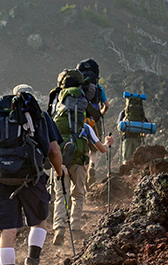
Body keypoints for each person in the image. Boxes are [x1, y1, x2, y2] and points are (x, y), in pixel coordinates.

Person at [0, 85, 66, 265]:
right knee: (39, 223)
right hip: (31, 179)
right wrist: (58, 170)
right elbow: (54, 151)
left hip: (2, 182)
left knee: (7, 232)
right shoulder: (40, 116)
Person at [51, 70, 115, 246]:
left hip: (60, 162)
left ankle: (59, 228)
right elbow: (101, 149)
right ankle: (76, 227)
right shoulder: (85, 126)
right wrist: (108, 142)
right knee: (78, 194)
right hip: (79, 162)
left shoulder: (56, 122)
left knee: (59, 195)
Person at [77, 58, 111, 186]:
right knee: (94, 150)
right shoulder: (98, 87)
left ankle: (85, 172)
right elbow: (107, 105)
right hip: (94, 120)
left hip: (81, 120)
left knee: (84, 150)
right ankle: (92, 166)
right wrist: (100, 113)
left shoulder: (79, 87)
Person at [118, 92, 149, 164]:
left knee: (126, 160)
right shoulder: (140, 113)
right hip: (137, 138)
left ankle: (126, 173)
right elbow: (146, 125)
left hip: (127, 138)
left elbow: (119, 126)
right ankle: (134, 174)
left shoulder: (124, 113)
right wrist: (143, 135)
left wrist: (121, 132)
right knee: (137, 160)